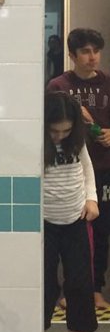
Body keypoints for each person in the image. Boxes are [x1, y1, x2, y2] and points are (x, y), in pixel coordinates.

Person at [47, 28, 110, 309]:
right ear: (72, 55)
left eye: (96, 51)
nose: (92, 57)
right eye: (85, 52)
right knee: (64, 236)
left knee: (101, 231)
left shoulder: (107, 83)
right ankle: (63, 292)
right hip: (68, 173)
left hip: (103, 167)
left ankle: (95, 289)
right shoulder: (59, 86)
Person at [43, 92, 99, 332]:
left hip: (76, 220)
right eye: (54, 131)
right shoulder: (36, 142)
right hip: (44, 225)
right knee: (44, 289)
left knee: (80, 288)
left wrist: (91, 198)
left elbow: (87, 168)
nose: (60, 136)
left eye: (65, 130)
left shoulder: (76, 139)